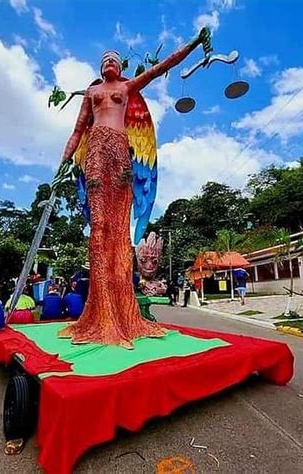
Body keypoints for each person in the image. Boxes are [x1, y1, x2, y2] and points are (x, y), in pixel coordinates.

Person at [56, 28, 210, 346]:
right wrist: (64, 163)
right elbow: (76, 131)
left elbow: (161, 67)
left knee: (121, 226)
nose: (109, 62)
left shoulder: (127, 86)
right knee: (99, 226)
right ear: (100, 68)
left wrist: (194, 44)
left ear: (120, 66)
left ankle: (121, 315)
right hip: (97, 148)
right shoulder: (92, 92)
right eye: (104, 59)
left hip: (121, 149)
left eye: (114, 58)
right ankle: (101, 316)